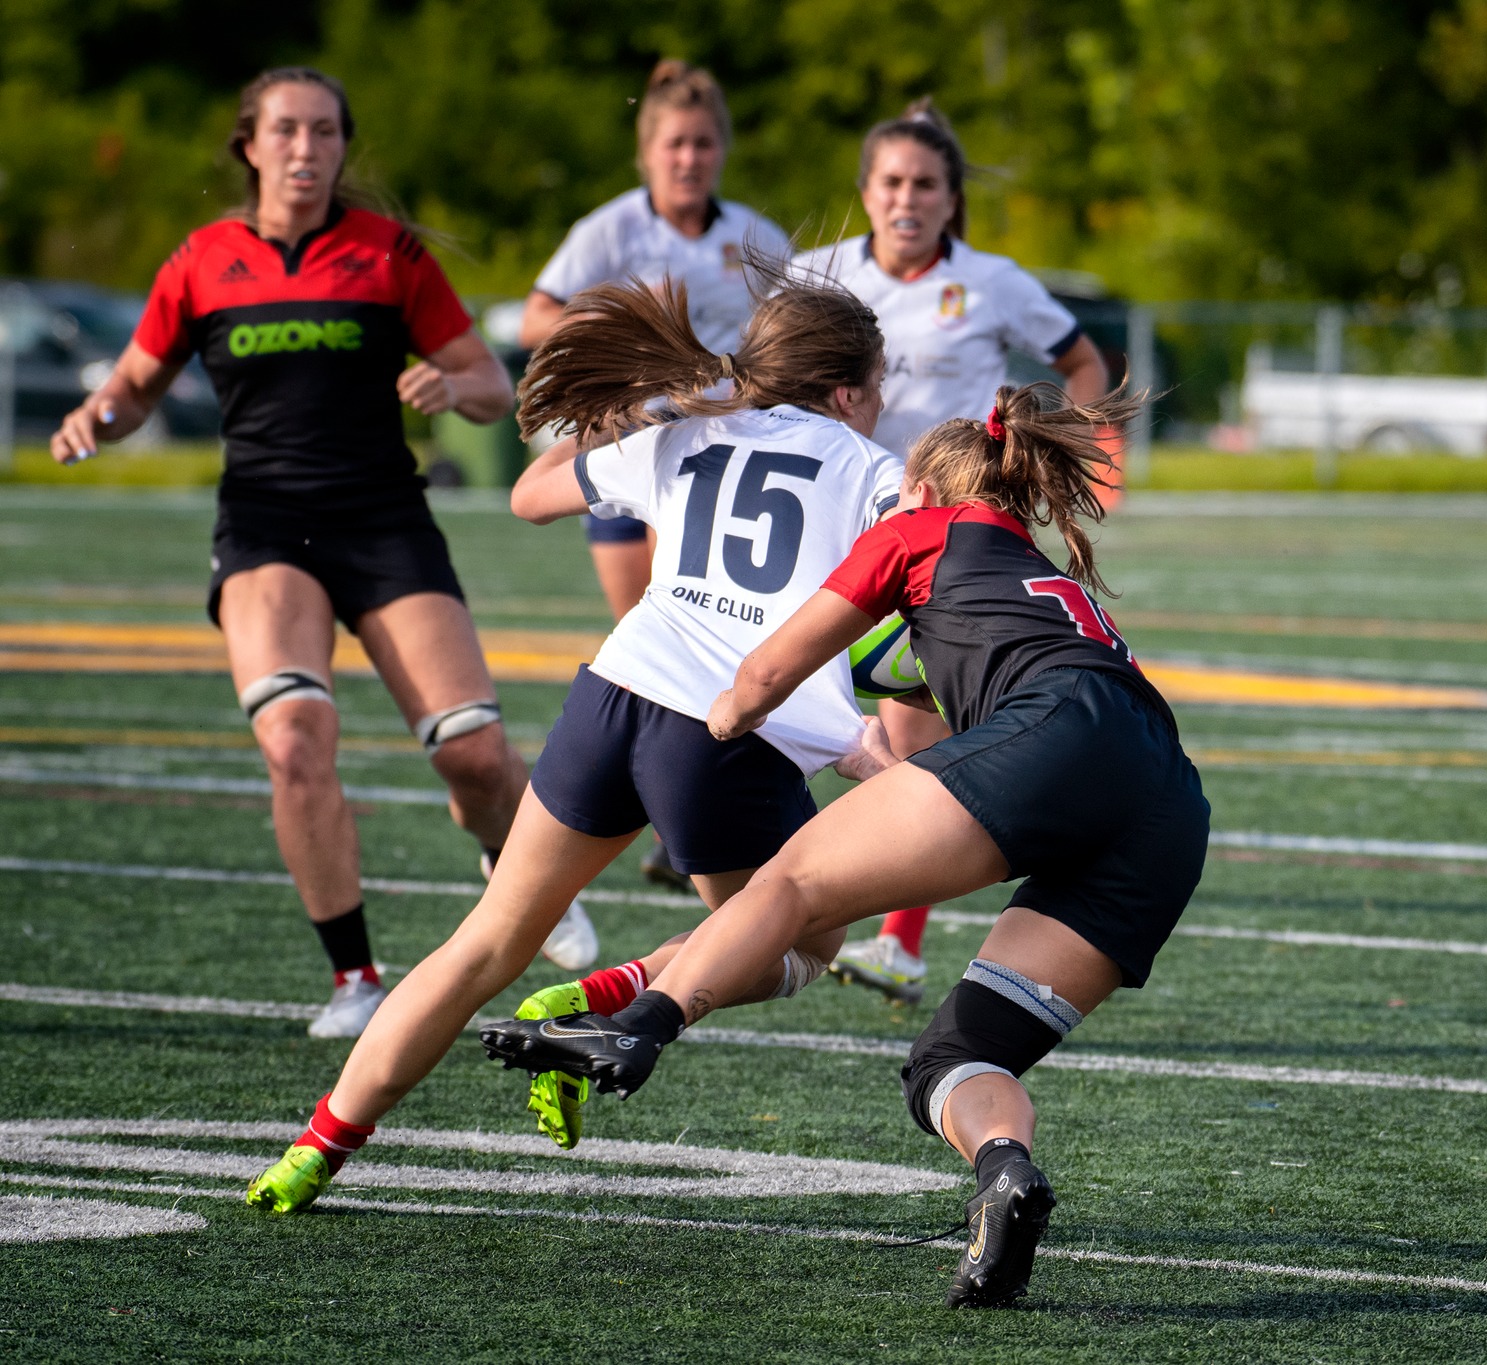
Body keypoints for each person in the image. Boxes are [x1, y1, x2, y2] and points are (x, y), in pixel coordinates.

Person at [479, 381, 1210, 1309]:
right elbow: (925, 705)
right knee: (955, 1056)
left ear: (922, 488)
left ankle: (643, 1025)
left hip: (1055, 735)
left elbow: (765, 675)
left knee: (789, 882)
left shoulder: (914, 531)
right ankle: (1005, 1171)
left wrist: (710, 724)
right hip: (1166, 803)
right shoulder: (1031, 569)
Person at [244, 269, 905, 1213]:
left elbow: (530, 494)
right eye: (880, 385)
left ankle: (315, 1145)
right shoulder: (869, 468)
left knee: (483, 943)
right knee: (799, 946)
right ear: (844, 391)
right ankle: (598, 998)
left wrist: (654, 410)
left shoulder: (685, 436)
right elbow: (923, 571)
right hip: (719, 740)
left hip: (612, 699)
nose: (883, 406)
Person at [48, 67, 595, 1039]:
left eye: (325, 132)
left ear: (343, 148)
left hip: (384, 521)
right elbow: (135, 384)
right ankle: (355, 978)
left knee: (473, 753)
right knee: (295, 740)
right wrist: (100, 416)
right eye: (287, 131)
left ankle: (507, 864)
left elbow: (483, 383)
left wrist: (447, 383)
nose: (306, 149)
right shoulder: (203, 261)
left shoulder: (389, 255)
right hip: (264, 528)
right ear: (249, 146)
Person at [795, 98, 1112, 1006]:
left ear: (950, 197)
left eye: (925, 183)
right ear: (865, 191)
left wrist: (1055, 452)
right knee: (860, 701)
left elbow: (1084, 363)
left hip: (954, 525)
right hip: (844, 513)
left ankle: (893, 930)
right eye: (891, 182)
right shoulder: (819, 271)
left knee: (915, 709)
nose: (907, 198)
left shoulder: (993, 281)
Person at [520, 59, 792, 893]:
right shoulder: (610, 231)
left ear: (721, 151)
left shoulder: (755, 235)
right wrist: (617, 341)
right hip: (627, 445)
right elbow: (537, 313)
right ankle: (669, 804)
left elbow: (794, 331)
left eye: (703, 143)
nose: (689, 159)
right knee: (647, 630)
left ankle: (691, 818)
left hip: (718, 455)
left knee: (705, 624)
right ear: (648, 153)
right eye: (675, 143)